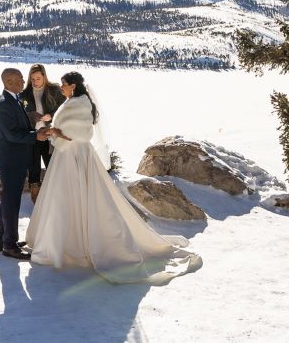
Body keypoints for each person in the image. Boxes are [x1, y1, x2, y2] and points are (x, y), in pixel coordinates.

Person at [25, 71, 202, 284]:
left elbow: (80, 133)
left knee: (78, 195)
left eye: (64, 84)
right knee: (63, 198)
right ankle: (61, 242)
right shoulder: (72, 101)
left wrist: (55, 132)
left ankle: (76, 245)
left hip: (76, 156)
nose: (61, 88)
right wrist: (54, 131)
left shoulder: (81, 103)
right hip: (66, 156)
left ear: (73, 86)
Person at [0, 67, 64, 260]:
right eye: (19, 80)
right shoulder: (4, 104)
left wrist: (30, 117)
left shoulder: (13, 100)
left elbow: (17, 124)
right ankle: (10, 245)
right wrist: (36, 135)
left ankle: (0, 238)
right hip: (10, 160)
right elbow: (12, 134)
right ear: (8, 82)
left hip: (13, 158)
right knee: (12, 201)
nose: (23, 83)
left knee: (8, 199)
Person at [19, 64, 66, 203]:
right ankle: (37, 201)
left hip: (50, 136)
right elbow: (20, 116)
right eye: (32, 79)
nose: (35, 82)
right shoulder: (24, 94)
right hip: (33, 136)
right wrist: (31, 116)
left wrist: (51, 116)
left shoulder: (54, 90)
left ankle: (55, 200)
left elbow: (64, 109)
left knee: (52, 167)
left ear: (44, 76)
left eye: (38, 78)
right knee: (33, 169)